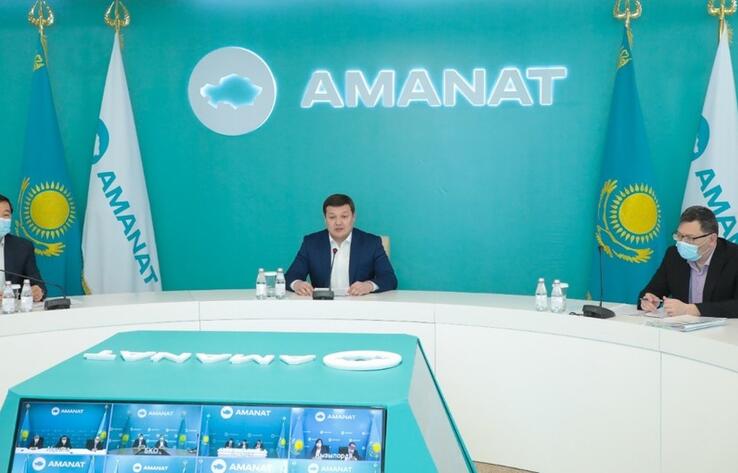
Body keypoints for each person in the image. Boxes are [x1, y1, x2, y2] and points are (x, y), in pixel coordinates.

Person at [286, 194, 398, 296]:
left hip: (360, 305)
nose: (338, 222)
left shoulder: (371, 243)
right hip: (323, 305)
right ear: (325, 219)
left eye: (344, 216)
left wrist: (368, 286)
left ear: (353, 217)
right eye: (332, 217)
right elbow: (290, 276)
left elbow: (390, 278)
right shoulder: (311, 243)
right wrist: (297, 284)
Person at [639, 206, 738, 317]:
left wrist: (692, 309)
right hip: (681, 326)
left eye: (691, 238)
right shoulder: (674, 255)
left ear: (712, 239)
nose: (683, 243)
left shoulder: (734, 257)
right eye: (680, 236)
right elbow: (652, 291)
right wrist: (648, 299)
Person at [0, 194, 44, 301]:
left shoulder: (22, 247)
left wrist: (37, 291)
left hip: (12, 308)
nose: (1, 219)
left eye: (5, 215)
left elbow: (38, 285)